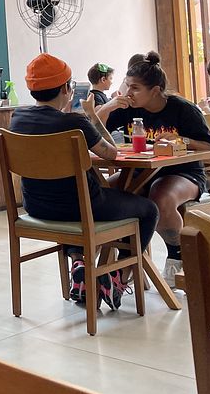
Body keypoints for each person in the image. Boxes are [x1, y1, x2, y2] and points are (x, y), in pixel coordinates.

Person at [9, 54, 158, 308]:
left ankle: (78, 262)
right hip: (83, 207)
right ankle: (117, 278)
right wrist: (92, 118)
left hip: (36, 206)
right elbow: (111, 153)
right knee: (148, 210)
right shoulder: (74, 122)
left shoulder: (18, 118)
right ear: (66, 89)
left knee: (70, 206)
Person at [91, 51, 210, 288]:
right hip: (141, 172)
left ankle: (176, 256)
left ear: (155, 90)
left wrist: (182, 140)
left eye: (135, 88)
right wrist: (107, 107)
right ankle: (118, 261)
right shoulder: (128, 108)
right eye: (127, 85)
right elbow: (94, 133)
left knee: (161, 197)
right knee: (103, 192)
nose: (129, 93)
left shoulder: (183, 109)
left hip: (184, 172)